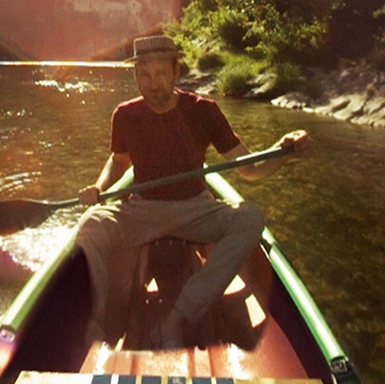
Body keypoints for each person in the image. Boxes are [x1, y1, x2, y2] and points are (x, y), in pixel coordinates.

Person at [74, 34, 311, 348]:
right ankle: (95, 327)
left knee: (251, 218)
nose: (153, 82)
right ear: (135, 76)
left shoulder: (203, 110)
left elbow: (249, 169)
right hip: (144, 208)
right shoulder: (125, 115)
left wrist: (282, 150)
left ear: (176, 71)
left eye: (160, 73)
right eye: (144, 74)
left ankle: (180, 316)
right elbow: (119, 162)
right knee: (90, 226)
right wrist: (99, 187)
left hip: (196, 208)